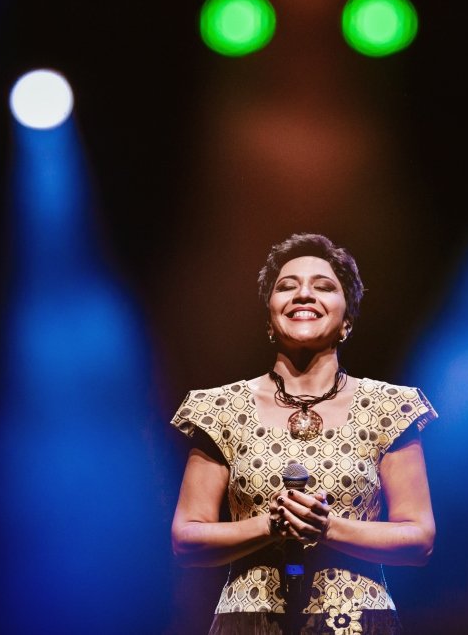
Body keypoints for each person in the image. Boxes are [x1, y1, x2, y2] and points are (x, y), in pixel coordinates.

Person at [171, 233, 437, 635]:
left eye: (324, 287)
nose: (304, 295)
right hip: (249, 619)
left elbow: (419, 539)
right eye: (287, 287)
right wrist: (270, 524)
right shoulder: (220, 408)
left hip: (358, 620)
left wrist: (327, 527)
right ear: (269, 315)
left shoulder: (389, 407)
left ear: (347, 318)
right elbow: (186, 538)